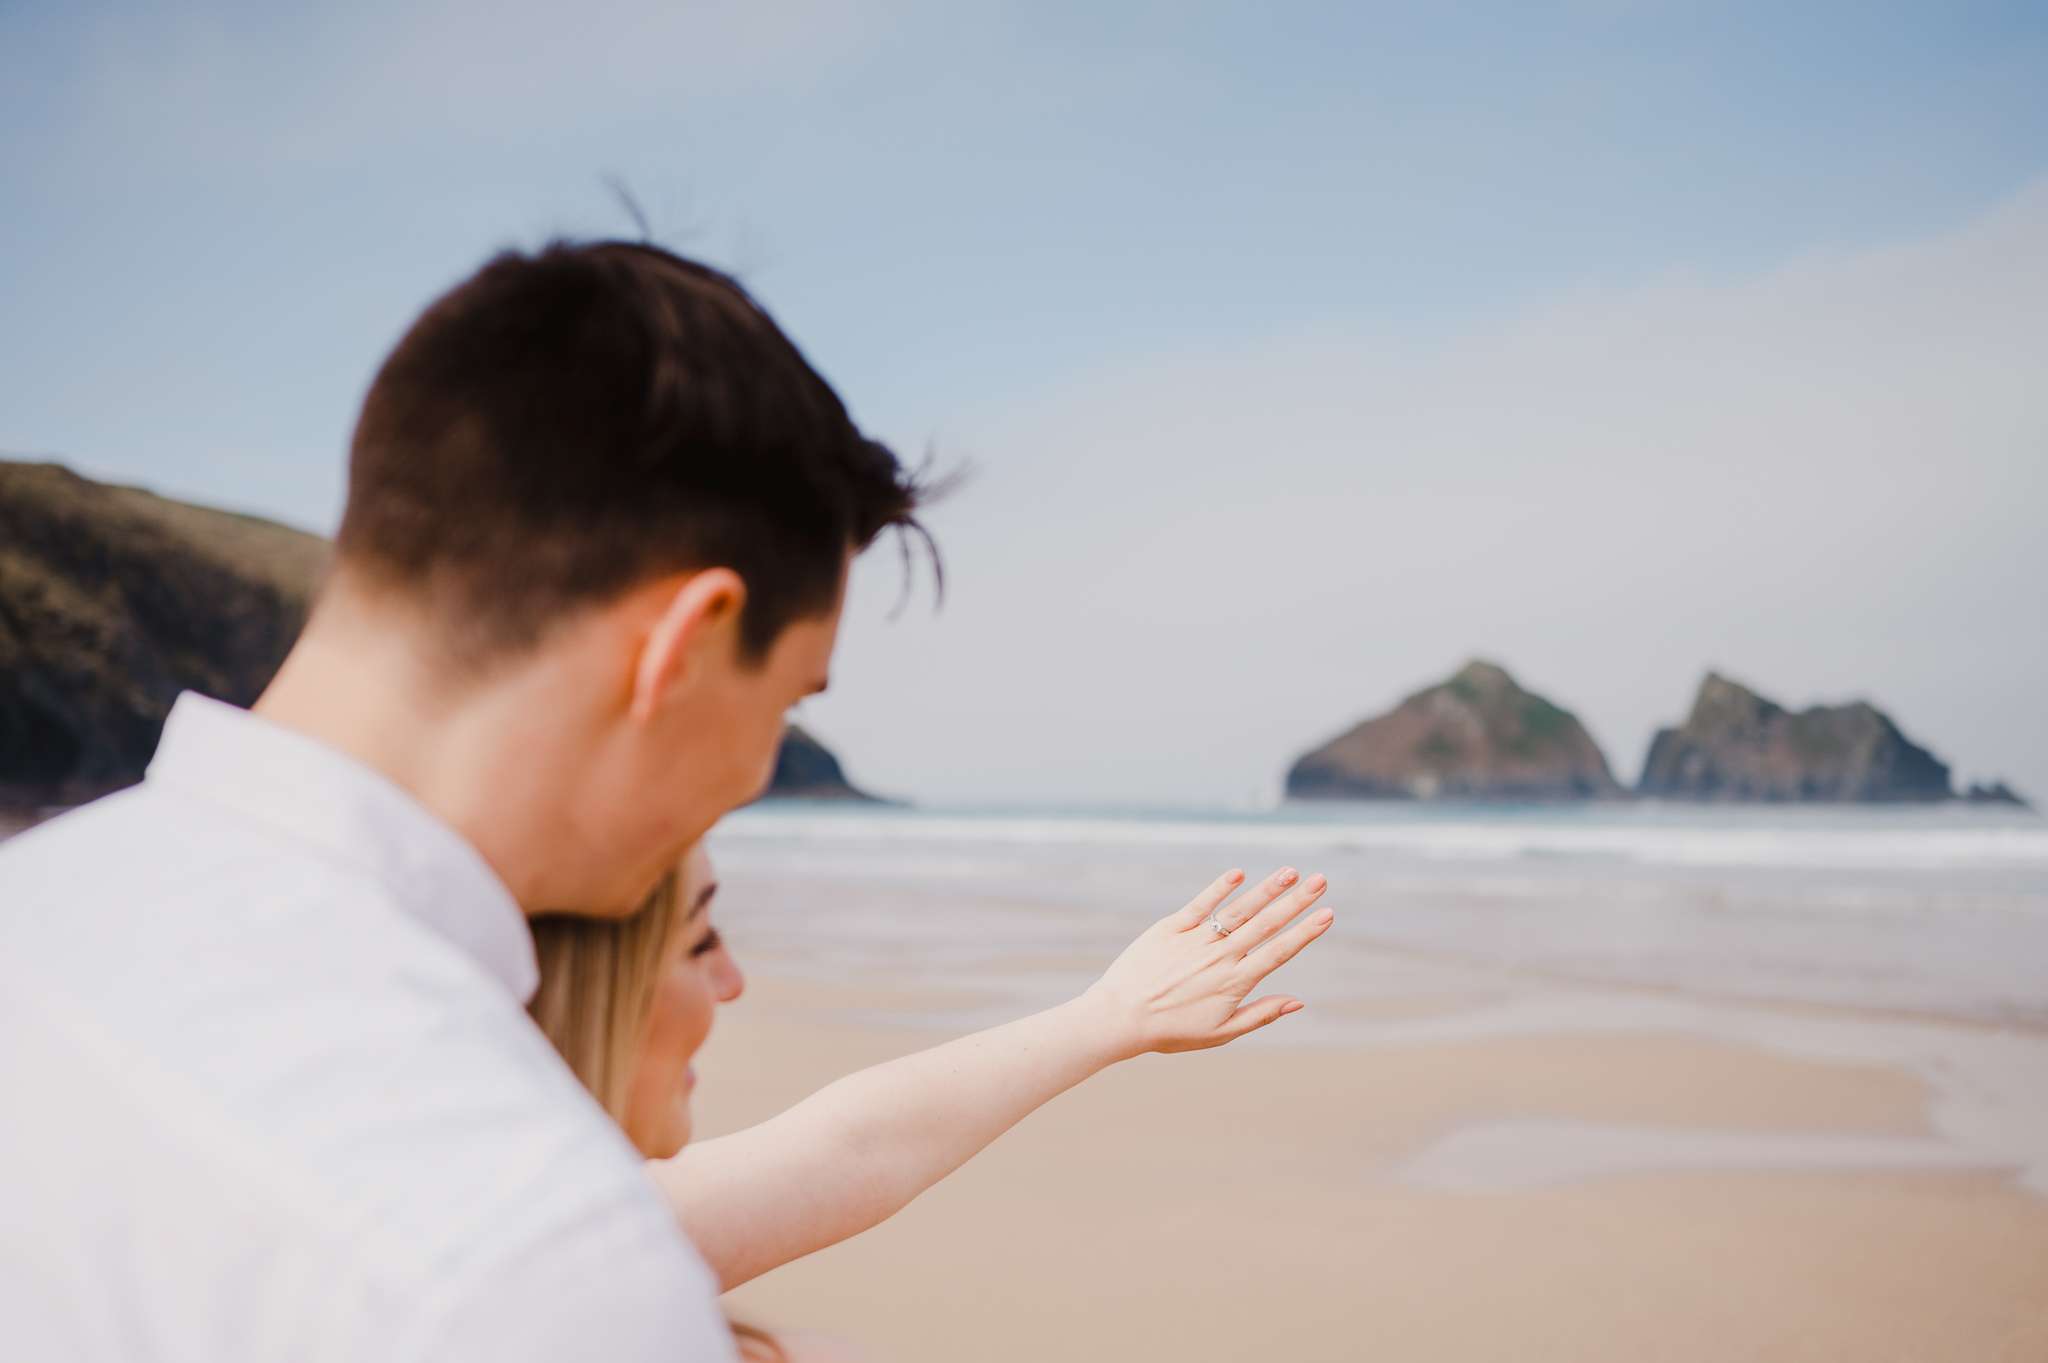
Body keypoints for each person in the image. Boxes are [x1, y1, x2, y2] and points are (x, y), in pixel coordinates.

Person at [0, 239, 933, 1361]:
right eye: (787, 697)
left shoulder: (37, 906)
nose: (752, 771)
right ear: (683, 646)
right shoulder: (534, 1259)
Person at [528, 847, 1333, 1358]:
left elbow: (853, 1149)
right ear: (584, 985)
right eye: (700, 940)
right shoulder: (539, 1272)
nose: (734, 981)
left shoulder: (560, 1230)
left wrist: (1113, 1014)